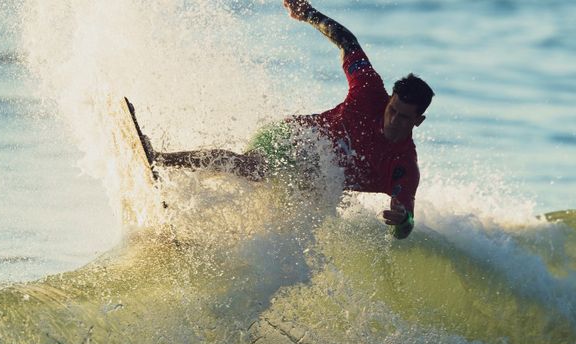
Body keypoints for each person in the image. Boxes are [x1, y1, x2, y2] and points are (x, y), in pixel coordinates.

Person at [141, 0, 434, 239]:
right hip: (292, 138)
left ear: (417, 121)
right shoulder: (370, 91)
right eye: (392, 109)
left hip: (310, 183)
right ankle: (160, 159)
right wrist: (308, 14)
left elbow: (406, 218)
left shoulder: (402, 166)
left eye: (403, 117)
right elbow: (348, 42)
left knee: (282, 224)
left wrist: (400, 221)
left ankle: (191, 225)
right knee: (252, 169)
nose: (393, 119)